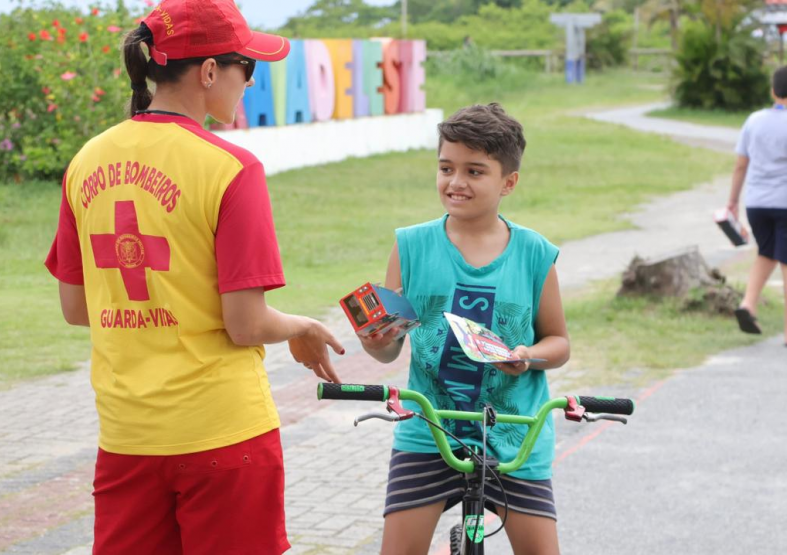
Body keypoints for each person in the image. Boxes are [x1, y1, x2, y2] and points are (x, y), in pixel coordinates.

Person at [44, 1, 345, 553]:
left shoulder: (87, 161)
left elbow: (77, 307)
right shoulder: (231, 169)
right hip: (223, 436)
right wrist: (301, 323)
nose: (250, 82)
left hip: (127, 436)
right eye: (246, 69)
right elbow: (246, 324)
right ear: (209, 72)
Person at [360, 103, 571, 555]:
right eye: (446, 168)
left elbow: (559, 342)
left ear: (508, 182)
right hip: (429, 431)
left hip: (514, 434)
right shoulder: (411, 245)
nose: (456, 183)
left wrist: (528, 355)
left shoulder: (535, 253)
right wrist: (378, 342)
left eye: (475, 171)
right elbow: (389, 350)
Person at [728, 65, 787, 345]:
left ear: (773, 90)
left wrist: (732, 201)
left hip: (757, 203)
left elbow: (741, 164)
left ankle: (748, 303)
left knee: (766, 252)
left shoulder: (754, 120)